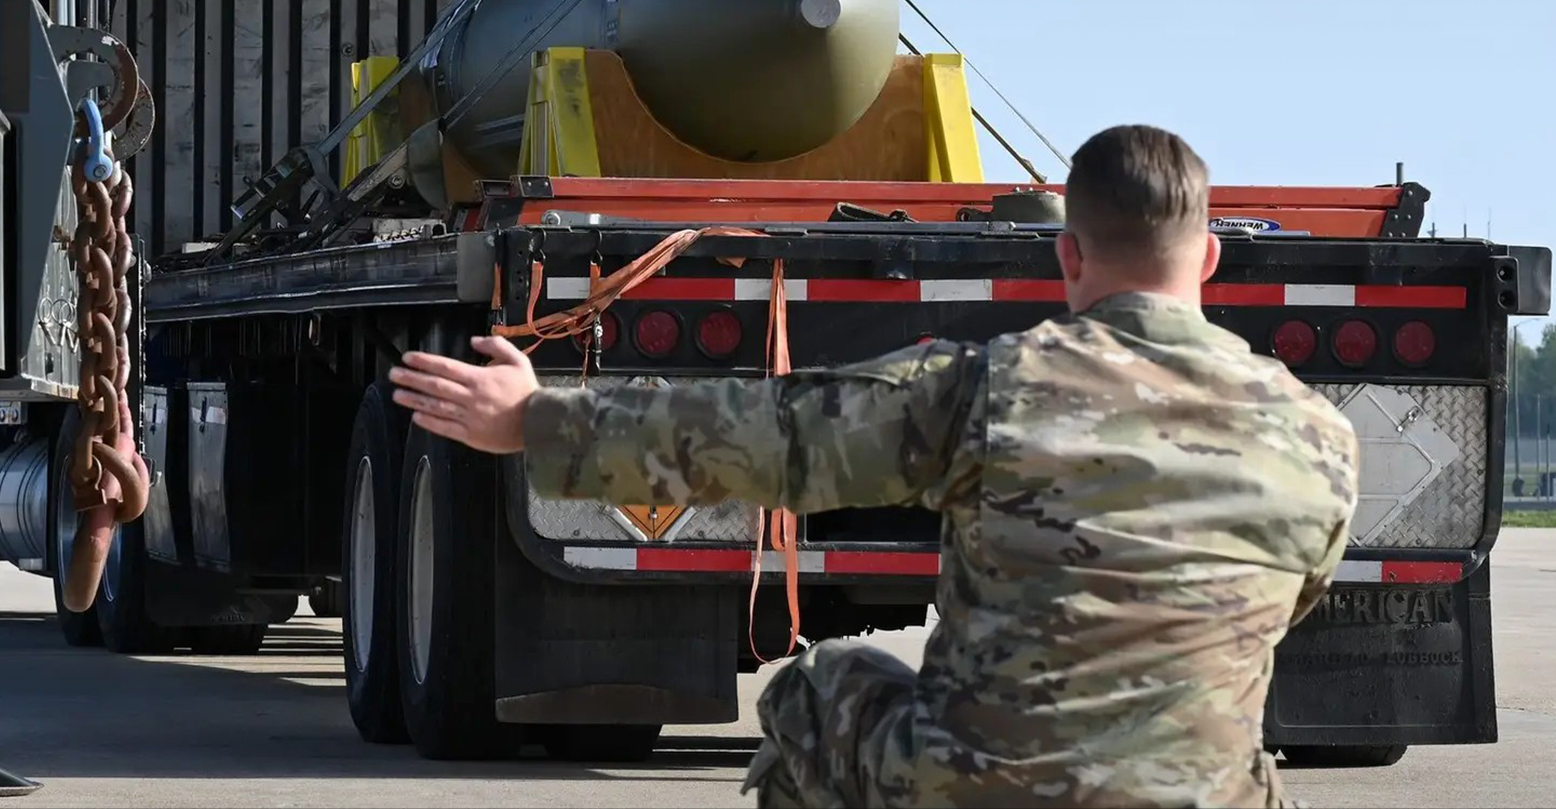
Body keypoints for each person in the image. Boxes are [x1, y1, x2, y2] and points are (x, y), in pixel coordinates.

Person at [388, 124, 1360, 808]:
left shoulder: (993, 389)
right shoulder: (1320, 441)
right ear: (1215, 260)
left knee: (819, 690)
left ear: (1067, 257)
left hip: (984, 791)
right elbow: (1287, 602)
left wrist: (539, 423)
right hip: (1194, 799)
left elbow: (774, 435)